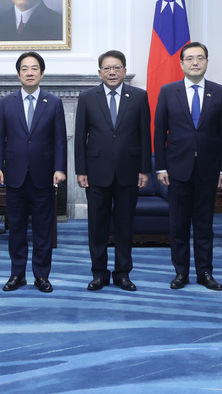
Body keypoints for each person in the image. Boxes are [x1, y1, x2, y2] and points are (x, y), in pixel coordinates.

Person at [153, 42, 222, 291]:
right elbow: (159, 133)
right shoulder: (168, 91)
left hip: (208, 170)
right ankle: (181, 272)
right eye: (189, 58)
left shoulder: (219, 92)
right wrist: (161, 167)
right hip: (177, 170)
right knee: (178, 223)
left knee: (204, 224)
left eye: (200, 58)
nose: (195, 62)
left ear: (207, 62)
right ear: (181, 63)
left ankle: (205, 272)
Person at [0, 52, 67, 293]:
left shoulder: (54, 102)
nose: (30, 72)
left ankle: (42, 276)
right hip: (14, 175)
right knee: (17, 228)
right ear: (18, 74)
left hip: (44, 175)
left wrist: (60, 168)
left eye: (35, 68)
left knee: (44, 229)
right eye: (25, 69)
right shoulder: (6, 103)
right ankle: (17, 274)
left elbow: (60, 141)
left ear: (42, 73)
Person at [75, 50, 150, 292]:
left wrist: (144, 169)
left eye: (117, 68)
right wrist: (81, 170)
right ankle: (99, 274)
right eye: (107, 68)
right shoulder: (87, 97)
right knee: (97, 226)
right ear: (99, 72)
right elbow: (80, 137)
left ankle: (122, 274)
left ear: (125, 71)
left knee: (125, 225)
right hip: (96, 171)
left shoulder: (139, 97)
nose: (112, 72)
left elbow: (144, 136)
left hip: (129, 171)